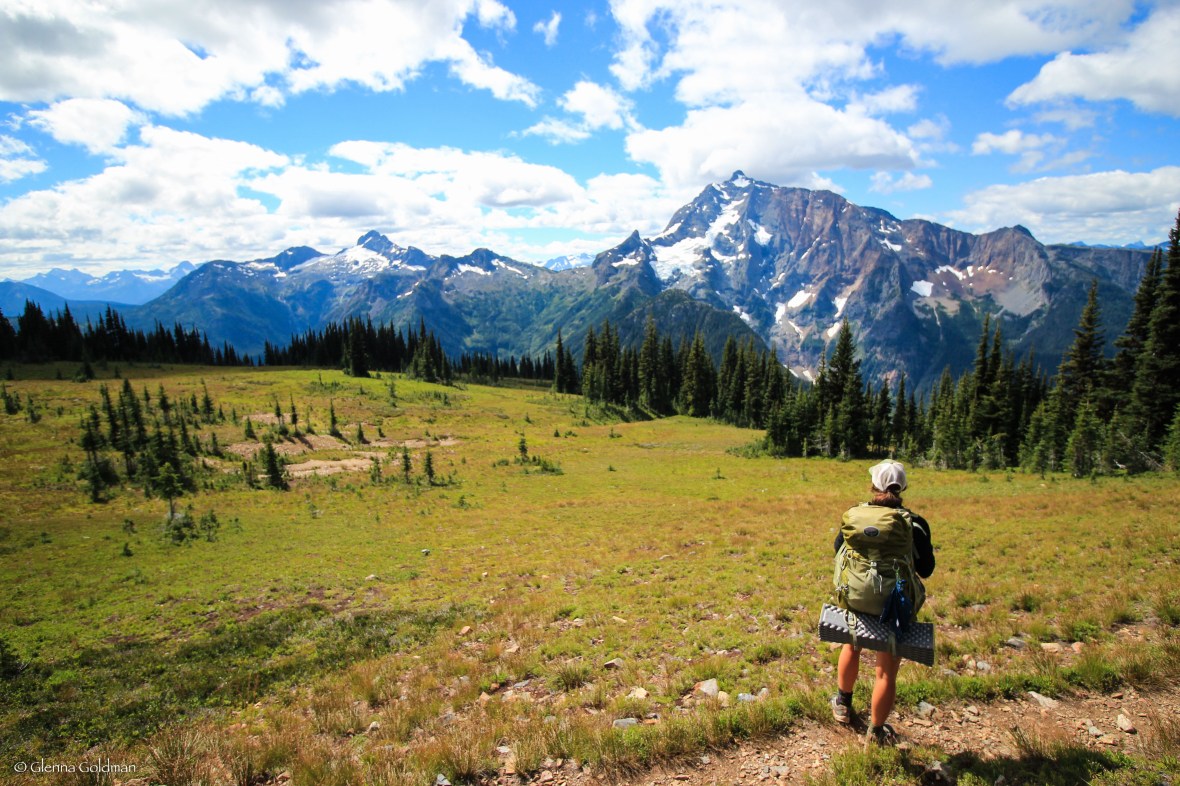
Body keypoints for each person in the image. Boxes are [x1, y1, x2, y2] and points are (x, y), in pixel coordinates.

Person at [830, 460, 935, 746]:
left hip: (856, 598)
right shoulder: (915, 524)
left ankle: (842, 703)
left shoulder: (856, 515)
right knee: (886, 671)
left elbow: (838, 549)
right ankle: (875, 733)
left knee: (851, 645)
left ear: (873, 486)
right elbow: (926, 569)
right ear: (903, 488)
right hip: (894, 605)